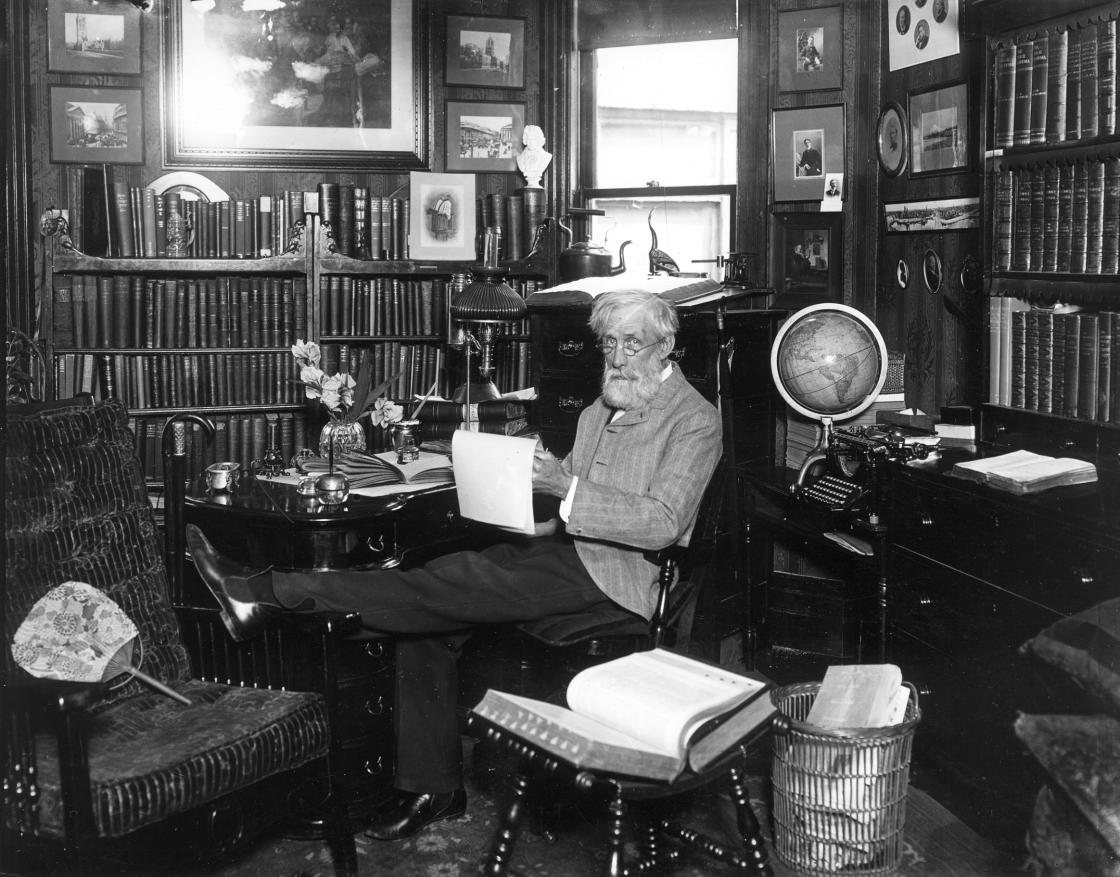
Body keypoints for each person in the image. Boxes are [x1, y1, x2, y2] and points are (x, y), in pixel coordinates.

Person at [186, 288, 723, 842]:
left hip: (623, 578)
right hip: (565, 553)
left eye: (631, 343)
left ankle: (263, 592)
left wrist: (564, 487)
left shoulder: (694, 420)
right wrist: (524, 490)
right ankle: (434, 787)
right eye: (608, 343)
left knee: (435, 586)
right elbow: (571, 501)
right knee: (433, 597)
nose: (615, 357)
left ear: (666, 347)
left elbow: (662, 522)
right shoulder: (599, 409)